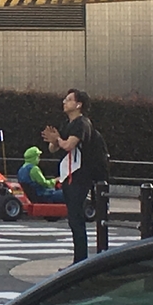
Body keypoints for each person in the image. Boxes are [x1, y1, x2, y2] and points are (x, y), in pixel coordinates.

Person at [42, 88, 94, 265]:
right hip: (68, 176)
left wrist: (58, 140)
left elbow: (69, 145)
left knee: (76, 219)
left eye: (69, 99)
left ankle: (81, 260)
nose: (65, 102)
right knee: (73, 219)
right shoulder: (67, 124)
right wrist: (54, 141)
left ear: (78, 104)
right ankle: (79, 259)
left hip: (79, 177)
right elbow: (54, 148)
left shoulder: (82, 123)